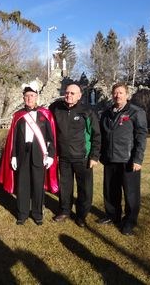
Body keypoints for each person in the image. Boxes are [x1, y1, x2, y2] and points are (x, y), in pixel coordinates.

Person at [0, 81, 58, 225]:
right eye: (26, 96)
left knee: (38, 184)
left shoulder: (45, 114)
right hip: (22, 154)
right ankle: (22, 213)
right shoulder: (18, 116)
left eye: (32, 95)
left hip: (39, 154)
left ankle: (37, 214)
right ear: (23, 98)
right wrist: (13, 155)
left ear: (36, 96)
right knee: (22, 184)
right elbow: (13, 138)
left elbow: (51, 138)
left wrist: (50, 155)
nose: (29, 98)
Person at [98, 83, 147, 236]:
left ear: (127, 95)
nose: (117, 95)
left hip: (128, 160)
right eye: (115, 93)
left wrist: (138, 159)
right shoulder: (106, 113)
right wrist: (101, 155)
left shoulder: (136, 112)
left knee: (131, 194)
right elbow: (101, 136)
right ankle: (112, 215)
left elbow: (141, 137)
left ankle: (129, 222)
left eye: (121, 92)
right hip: (110, 159)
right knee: (111, 191)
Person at [49, 84, 101, 227]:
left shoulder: (87, 111)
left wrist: (94, 156)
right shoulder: (56, 108)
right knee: (65, 187)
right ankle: (64, 210)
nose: (69, 95)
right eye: (67, 93)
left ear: (79, 95)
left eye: (73, 93)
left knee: (84, 188)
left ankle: (81, 215)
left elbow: (96, 134)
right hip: (64, 157)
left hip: (82, 158)